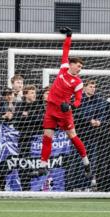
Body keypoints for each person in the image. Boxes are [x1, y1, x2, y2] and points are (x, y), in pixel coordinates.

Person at [39, 27, 90, 177]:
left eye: (81, 67)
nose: (80, 69)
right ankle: (43, 165)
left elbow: (79, 100)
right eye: (78, 66)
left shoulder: (78, 82)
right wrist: (69, 36)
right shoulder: (63, 68)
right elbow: (65, 49)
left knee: (72, 137)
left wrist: (70, 106)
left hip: (64, 112)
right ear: (72, 64)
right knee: (47, 136)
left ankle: (86, 162)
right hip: (50, 110)